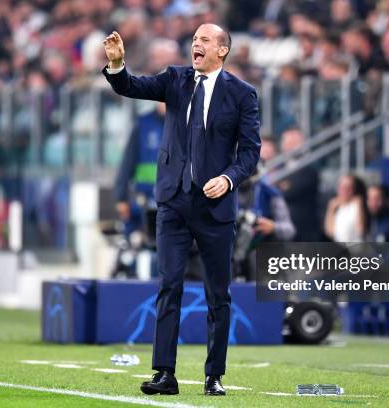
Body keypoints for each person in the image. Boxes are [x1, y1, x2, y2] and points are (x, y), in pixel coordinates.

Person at [102, 24, 261, 396]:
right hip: (173, 202)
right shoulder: (175, 79)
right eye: (193, 40)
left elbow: (250, 152)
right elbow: (131, 87)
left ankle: (214, 376)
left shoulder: (242, 94)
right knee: (168, 285)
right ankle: (165, 374)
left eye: (204, 40)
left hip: (215, 207)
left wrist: (229, 178)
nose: (196, 44)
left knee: (217, 294)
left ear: (222, 51)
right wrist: (118, 65)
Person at [114, 102, 166, 239]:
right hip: (143, 202)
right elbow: (128, 161)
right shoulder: (143, 124)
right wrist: (121, 197)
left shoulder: (187, 122)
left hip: (172, 202)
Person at [276, 128, 320, 242]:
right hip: (280, 233)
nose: (291, 147)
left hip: (303, 234)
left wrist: (280, 185)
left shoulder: (309, 170)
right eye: (288, 143)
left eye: (295, 143)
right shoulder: (278, 168)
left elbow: (289, 192)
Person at [324, 174, 366, 242]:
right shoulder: (337, 206)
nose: (344, 190)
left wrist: (360, 206)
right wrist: (331, 209)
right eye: (341, 187)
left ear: (355, 189)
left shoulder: (358, 205)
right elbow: (330, 232)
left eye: (349, 187)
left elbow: (361, 230)